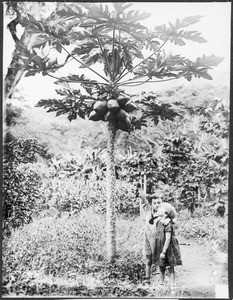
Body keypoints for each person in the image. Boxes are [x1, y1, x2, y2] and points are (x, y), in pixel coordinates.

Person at [143, 192, 182, 289]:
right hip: (150, 238)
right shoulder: (149, 210)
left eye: (159, 202)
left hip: (163, 241)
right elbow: (143, 198)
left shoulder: (166, 209)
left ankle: (167, 283)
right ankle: (148, 280)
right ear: (151, 204)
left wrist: (170, 220)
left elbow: (175, 219)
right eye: (154, 203)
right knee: (149, 259)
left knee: (164, 262)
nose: (157, 205)